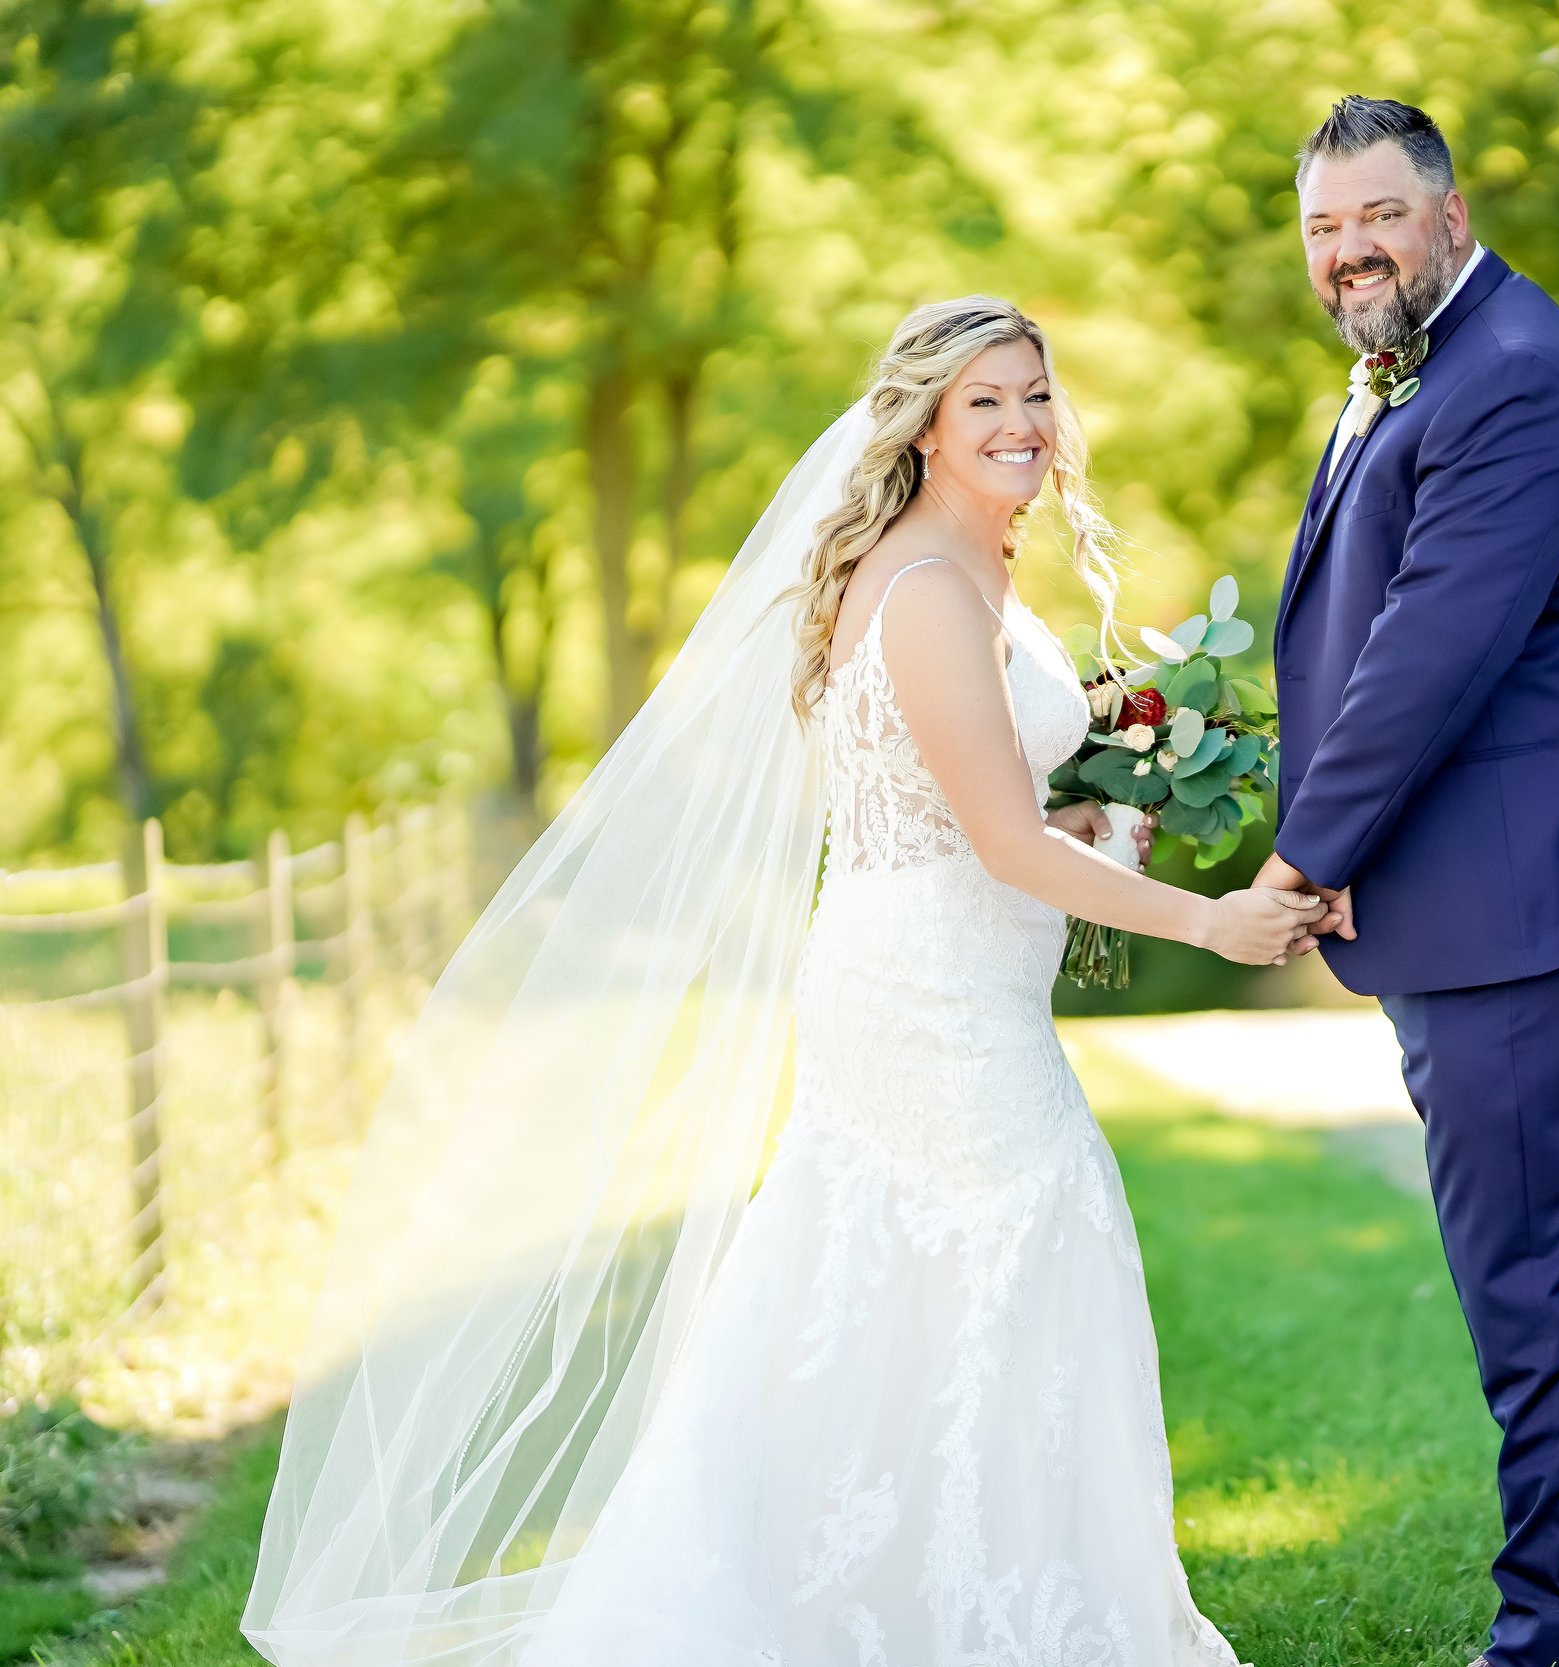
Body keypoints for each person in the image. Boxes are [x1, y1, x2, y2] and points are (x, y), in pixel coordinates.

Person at [242, 298, 1319, 1667]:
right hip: (925, 991)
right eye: (984, 401)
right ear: (924, 425)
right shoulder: (927, 589)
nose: (1021, 425)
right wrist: (1209, 923)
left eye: (1036, 395)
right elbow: (994, 842)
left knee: (903, 1271)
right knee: (1004, 1243)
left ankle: (932, 1590)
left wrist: (1110, 816)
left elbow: (985, 805)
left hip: (949, 970)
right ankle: (949, 1606)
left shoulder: (969, 569)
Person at [1255, 96, 1559, 1667]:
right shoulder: (1426, 370)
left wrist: (1303, 860)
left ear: (1451, 214)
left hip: (1532, 906)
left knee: (1537, 1295)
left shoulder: (1510, 380)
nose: (1348, 251)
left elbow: (1425, 662)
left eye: (1377, 217)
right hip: (1498, 901)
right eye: (1322, 227)